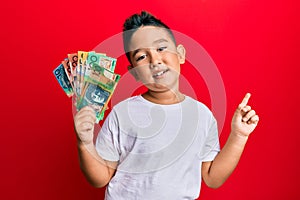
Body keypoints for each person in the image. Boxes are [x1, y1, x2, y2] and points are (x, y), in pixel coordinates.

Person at [74, 11, 259, 199]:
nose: (155, 61)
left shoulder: (202, 115)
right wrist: (85, 143)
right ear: (134, 72)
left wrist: (238, 135)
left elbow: (212, 178)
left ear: (180, 54)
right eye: (141, 57)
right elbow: (100, 178)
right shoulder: (122, 113)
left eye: (161, 48)